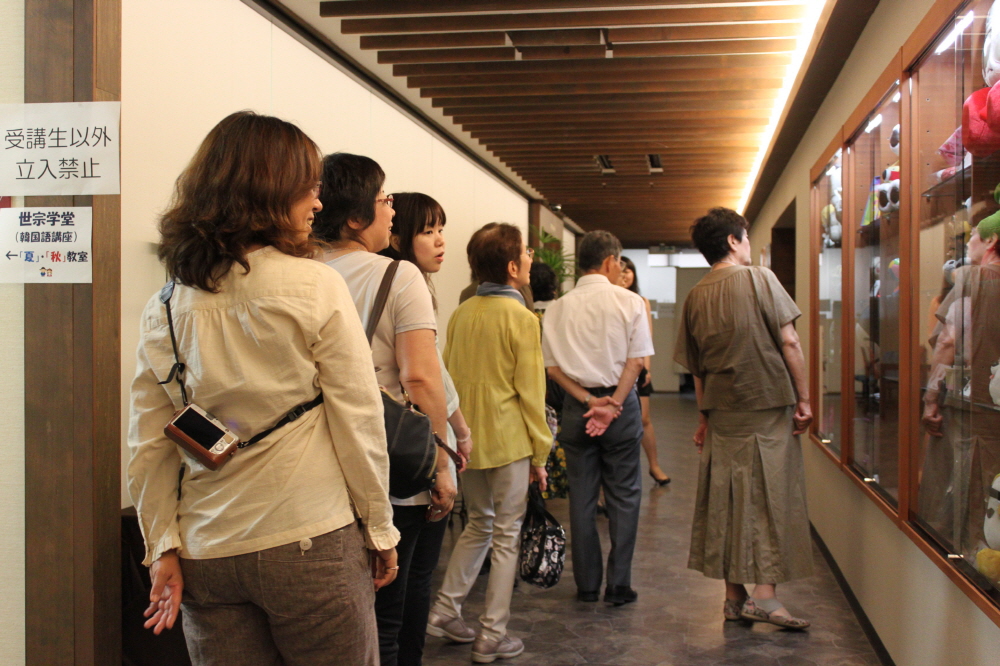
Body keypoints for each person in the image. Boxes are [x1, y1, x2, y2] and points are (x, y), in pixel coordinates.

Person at [127, 111, 399, 666]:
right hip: (309, 536)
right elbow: (358, 418)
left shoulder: (165, 306)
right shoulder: (315, 285)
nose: (317, 202)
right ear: (270, 192)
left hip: (207, 548)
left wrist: (162, 548)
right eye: (308, 187)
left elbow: (148, 442)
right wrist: (379, 528)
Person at [312, 154, 457, 666]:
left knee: (345, 616)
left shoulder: (300, 271)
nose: (392, 209)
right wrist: (442, 464)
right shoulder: (398, 276)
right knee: (393, 610)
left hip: (321, 466)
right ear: (356, 217)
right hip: (389, 461)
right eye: (383, 199)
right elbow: (420, 377)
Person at [673, 207, 813, 629]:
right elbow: (789, 341)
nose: (749, 244)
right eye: (746, 236)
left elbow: (697, 369)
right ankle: (764, 596)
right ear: (733, 241)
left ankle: (734, 598)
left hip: (722, 412)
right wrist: (805, 399)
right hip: (766, 406)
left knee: (728, 500)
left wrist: (703, 419)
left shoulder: (696, 296)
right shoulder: (759, 279)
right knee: (771, 496)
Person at [428, 223, 552, 663]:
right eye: (527, 253)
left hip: (468, 441)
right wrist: (541, 453)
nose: (532, 259)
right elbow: (532, 394)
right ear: (513, 267)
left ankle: (444, 611)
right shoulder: (522, 319)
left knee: (478, 524)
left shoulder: (462, 313)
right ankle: (491, 635)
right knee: (505, 536)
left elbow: (447, 381)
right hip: (510, 442)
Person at [541, 230, 653, 606]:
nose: (620, 268)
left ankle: (587, 585)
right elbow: (636, 362)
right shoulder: (631, 301)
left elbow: (553, 370)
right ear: (609, 262)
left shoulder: (558, 308)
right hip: (620, 407)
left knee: (582, 497)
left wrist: (590, 401)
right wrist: (613, 405)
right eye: (619, 262)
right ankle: (619, 584)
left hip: (578, 408)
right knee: (625, 494)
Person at [922, 214, 1000, 560]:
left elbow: (947, 343)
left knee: (967, 481)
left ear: (991, 241)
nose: (968, 243)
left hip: (971, 404)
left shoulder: (971, 280)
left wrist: (930, 400)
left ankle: (969, 555)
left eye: (974, 237)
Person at [619, 256, 670, 486]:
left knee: (644, 418)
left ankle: (654, 466)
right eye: (621, 270)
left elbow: (646, 339)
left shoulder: (641, 301)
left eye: (629, 270)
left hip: (638, 366)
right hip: (617, 367)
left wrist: (646, 369)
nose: (625, 275)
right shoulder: (612, 298)